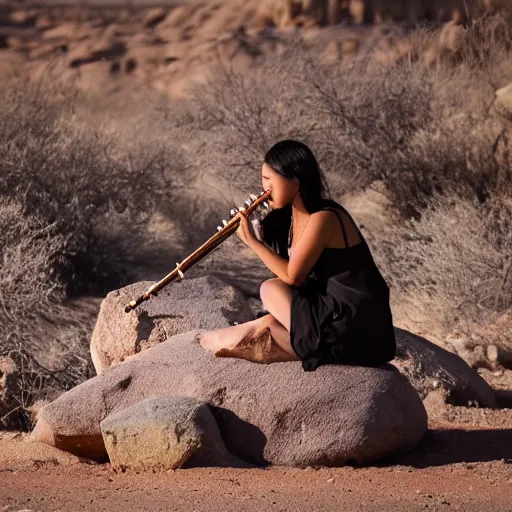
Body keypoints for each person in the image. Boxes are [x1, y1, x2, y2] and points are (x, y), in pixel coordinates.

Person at [197, 140, 396, 371]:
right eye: (263, 179)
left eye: (270, 180)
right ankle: (223, 339)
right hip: (327, 310)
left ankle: (318, 347)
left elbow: (293, 278)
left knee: (270, 291)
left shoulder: (325, 217)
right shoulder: (288, 218)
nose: (265, 188)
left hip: (354, 320)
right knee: (267, 318)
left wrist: (251, 241)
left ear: (296, 180)